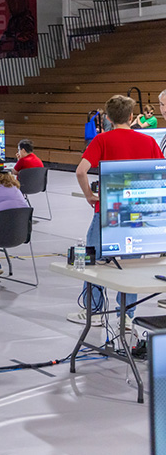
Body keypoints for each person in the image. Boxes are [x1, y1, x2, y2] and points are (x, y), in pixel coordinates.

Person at [72, 95, 164, 328]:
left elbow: (81, 171)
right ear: (131, 116)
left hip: (107, 210)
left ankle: (94, 311)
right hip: (137, 211)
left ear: (109, 118)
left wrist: (89, 195)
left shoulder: (101, 140)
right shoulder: (148, 141)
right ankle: (126, 315)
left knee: (93, 260)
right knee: (131, 266)